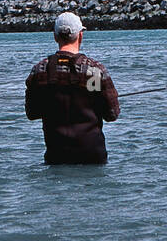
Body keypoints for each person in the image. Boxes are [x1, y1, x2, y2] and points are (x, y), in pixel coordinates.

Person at [24, 12, 120, 165]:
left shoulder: (40, 70)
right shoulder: (93, 71)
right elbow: (111, 114)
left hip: (57, 156)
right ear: (80, 36)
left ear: (55, 37)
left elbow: (32, 113)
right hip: (92, 156)